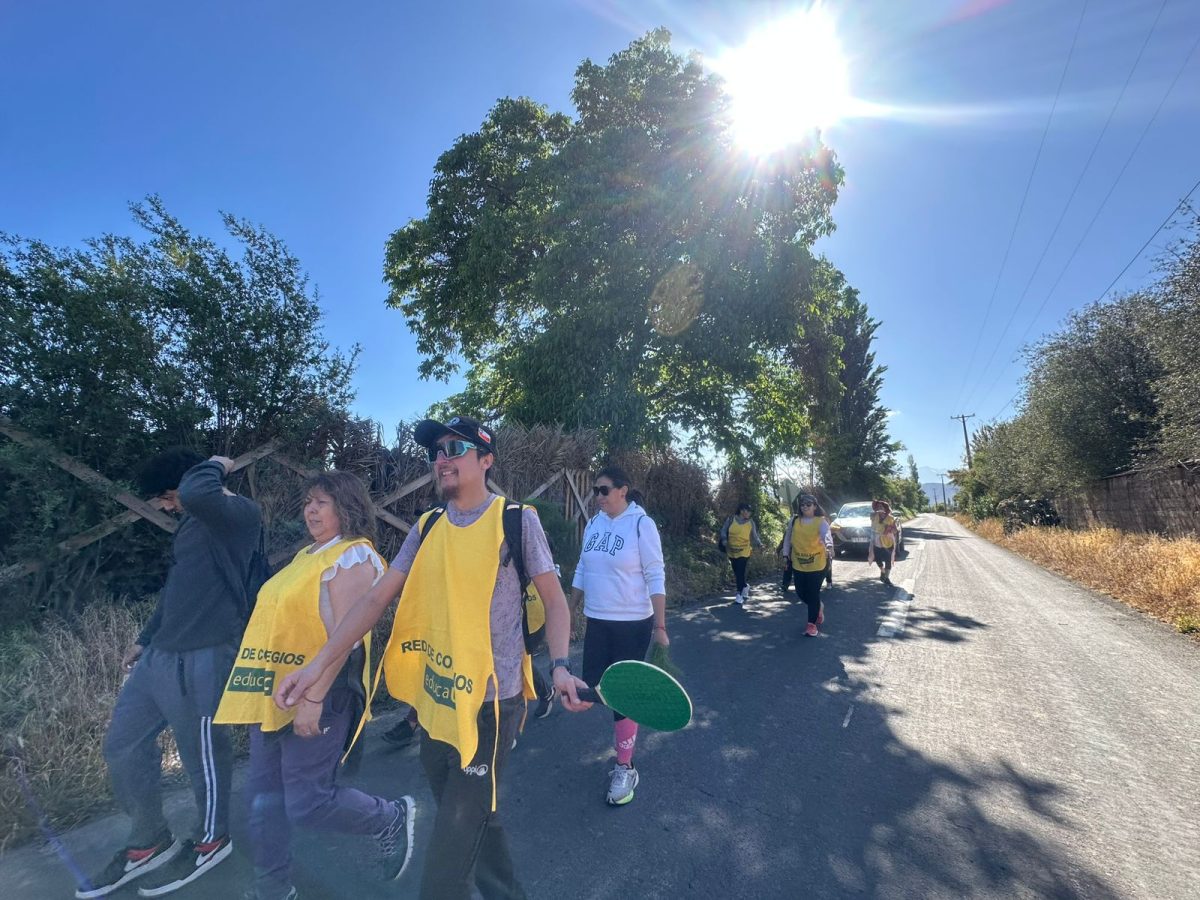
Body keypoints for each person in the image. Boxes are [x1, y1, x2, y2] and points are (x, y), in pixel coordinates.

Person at [274, 416, 587, 900]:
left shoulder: (516, 520)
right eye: (435, 451)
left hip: (491, 707)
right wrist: (317, 666)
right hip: (436, 704)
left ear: (486, 460)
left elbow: (555, 598)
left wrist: (562, 666)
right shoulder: (428, 526)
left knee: (446, 861)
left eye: (455, 448)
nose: (441, 459)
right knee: (474, 820)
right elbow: (375, 601)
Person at [213, 471, 414, 900]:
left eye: (322, 502)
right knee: (263, 798)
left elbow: (347, 637)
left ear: (348, 506)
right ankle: (274, 889)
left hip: (324, 693)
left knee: (307, 802)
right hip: (276, 693)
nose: (311, 510)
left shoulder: (355, 557)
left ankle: (388, 817)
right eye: (308, 502)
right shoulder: (308, 555)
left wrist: (313, 699)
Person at [78, 450, 262, 899]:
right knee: (122, 744)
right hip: (160, 655)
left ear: (184, 484)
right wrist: (146, 636)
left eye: (163, 497)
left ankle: (212, 838)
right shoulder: (193, 523)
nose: (163, 507)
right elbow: (179, 587)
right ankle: (148, 839)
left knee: (202, 755)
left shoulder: (236, 515)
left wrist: (219, 463)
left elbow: (199, 490)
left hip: (203, 655)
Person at [571, 466, 668, 806]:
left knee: (622, 693)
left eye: (604, 490)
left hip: (632, 622)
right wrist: (569, 610)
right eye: (595, 491)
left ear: (623, 490)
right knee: (593, 686)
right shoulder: (595, 523)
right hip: (597, 619)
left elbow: (655, 573)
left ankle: (625, 766)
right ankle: (632, 712)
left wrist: (660, 626)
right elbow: (583, 567)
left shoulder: (642, 524)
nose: (598, 496)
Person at [780, 494, 833, 637]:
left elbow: (826, 535)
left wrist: (829, 546)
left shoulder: (821, 522)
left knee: (813, 592)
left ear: (815, 506)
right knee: (800, 592)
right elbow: (787, 539)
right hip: (798, 563)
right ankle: (818, 607)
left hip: (818, 564)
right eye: (802, 504)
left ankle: (811, 625)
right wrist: (785, 555)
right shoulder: (794, 521)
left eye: (808, 504)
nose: (805, 507)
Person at [719, 503, 762, 606]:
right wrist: (724, 540)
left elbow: (754, 536)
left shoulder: (751, 522)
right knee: (737, 572)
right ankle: (745, 586)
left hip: (744, 551)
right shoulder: (731, 519)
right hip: (732, 551)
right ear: (741, 511)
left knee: (740, 571)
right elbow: (723, 531)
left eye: (750, 511)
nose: (748, 513)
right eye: (747, 511)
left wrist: (760, 544)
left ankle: (739, 595)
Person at [869, 499, 899, 585]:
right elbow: (871, 518)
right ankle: (882, 570)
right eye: (878, 507)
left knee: (888, 560)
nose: (880, 508)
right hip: (877, 542)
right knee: (878, 559)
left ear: (885, 508)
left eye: (881, 507)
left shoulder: (891, 518)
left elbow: (895, 531)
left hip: (888, 542)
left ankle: (887, 578)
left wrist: (890, 528)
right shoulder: (874, 516)